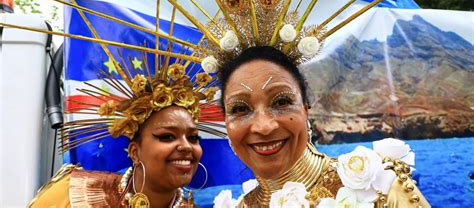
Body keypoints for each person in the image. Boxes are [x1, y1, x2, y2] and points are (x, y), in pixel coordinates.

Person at [217, 46, 430, 207]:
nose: (263, 126)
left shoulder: (380, 186)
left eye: (281, 102)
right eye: (239, 109)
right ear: (226, 124)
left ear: (306, 109)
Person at [29, 58, 218, 207]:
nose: (186, 146)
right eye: (167, 136)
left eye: (193, 138)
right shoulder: (71, 196)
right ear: (135, 152)